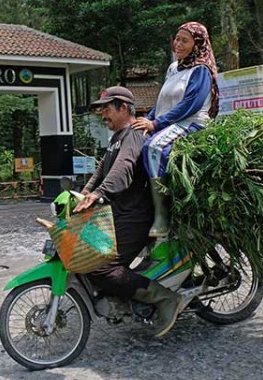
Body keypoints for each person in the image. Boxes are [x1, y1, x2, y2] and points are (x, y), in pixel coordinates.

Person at [74, 86, 184, 337]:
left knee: (102, 267)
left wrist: (99, 195)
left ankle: (165, 299)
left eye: (107, 109)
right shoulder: (117, 138)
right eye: (100, 110)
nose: (103, 115)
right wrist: (85, 193)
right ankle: (121, 297)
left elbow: (122, 170)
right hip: (117, 213)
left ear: (124, 107)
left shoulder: (133, 135)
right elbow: (102, 170)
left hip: (135, 216)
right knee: (86, 252)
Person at [132, 22, 220, 236]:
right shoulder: (174, 68)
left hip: (191, 123)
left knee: (154, 147)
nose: (177, 44)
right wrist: (145, 120)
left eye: (184, 40)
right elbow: (162, 103)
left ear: (197, 44)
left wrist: (155, 124)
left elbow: (190, 105)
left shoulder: (201, 70)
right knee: (132, 140)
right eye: (177, 38)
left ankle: (163, 216)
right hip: (170, 122)